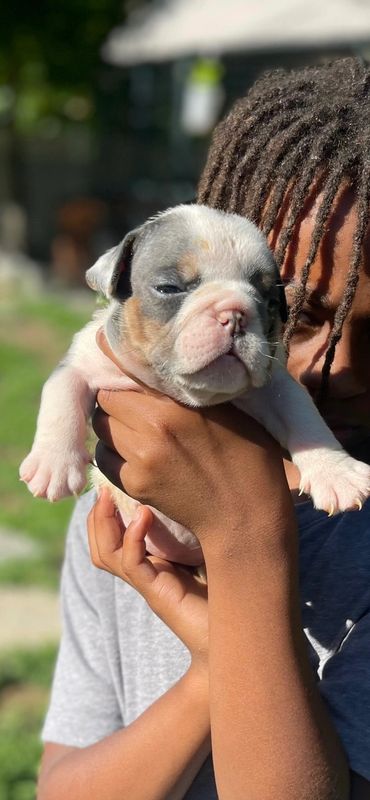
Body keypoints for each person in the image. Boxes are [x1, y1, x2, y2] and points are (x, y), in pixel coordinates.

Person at [37, 57, 370, 800]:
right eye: (307, 316)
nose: (342, 366)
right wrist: (210, 670)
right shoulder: (130, 490)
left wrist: (246, 534)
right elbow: (63, 788)